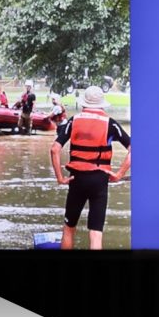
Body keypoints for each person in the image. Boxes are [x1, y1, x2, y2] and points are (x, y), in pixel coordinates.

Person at [50, 86, 132, 250]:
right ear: (102, 104)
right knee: (95, 233)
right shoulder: (110, 123)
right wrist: (118, 174)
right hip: (100, 180)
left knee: (69, 228)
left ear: (84, 103)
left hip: (77, 179)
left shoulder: (74, 121)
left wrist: (60, 178)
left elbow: (54, 149)